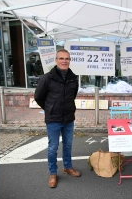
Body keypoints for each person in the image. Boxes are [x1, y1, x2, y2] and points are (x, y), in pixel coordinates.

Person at [34, 49, 80, 188]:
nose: (64, 61)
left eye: (67, 58)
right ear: (56, 60)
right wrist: (50, 108)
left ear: (69, 60)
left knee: (68, 145)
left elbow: (73, 95)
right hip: (53, 119)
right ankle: (53, 173)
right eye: (61, 58)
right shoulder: (47, 78)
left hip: (68, 118)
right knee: (53, 148)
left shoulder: (73, 78)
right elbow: (38, 97)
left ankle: (67, 167)